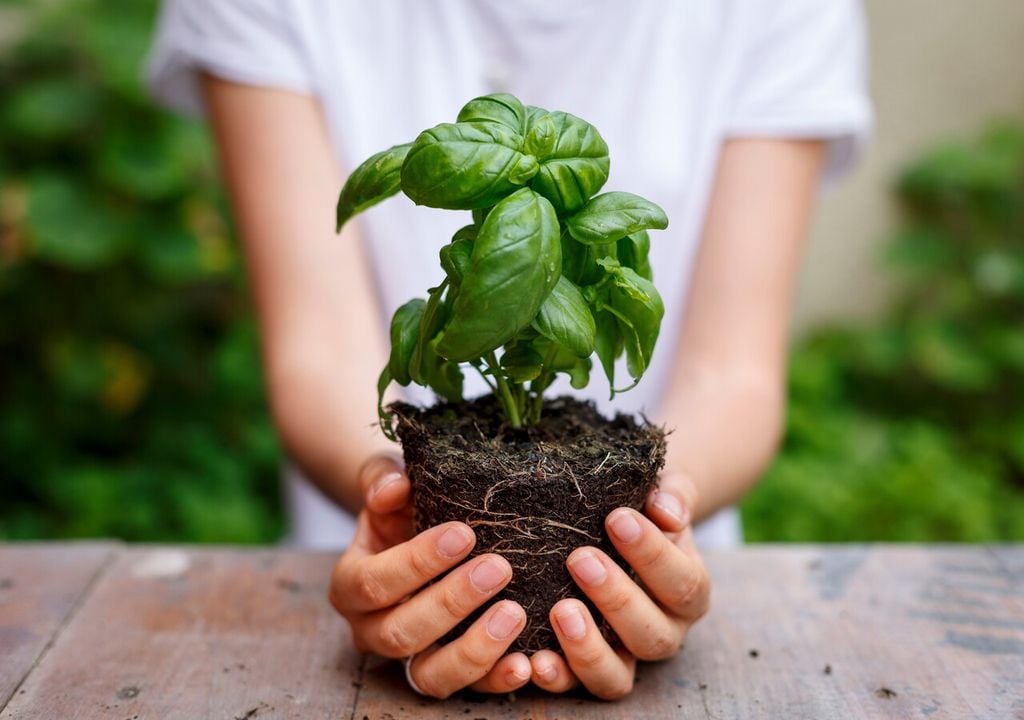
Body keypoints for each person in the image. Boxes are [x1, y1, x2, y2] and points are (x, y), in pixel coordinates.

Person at [147, 0, 870, 700]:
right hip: (366, 597)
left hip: (660, 603)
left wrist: (669, 502)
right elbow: (317, 349)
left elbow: (732, 375)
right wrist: (385, 487)